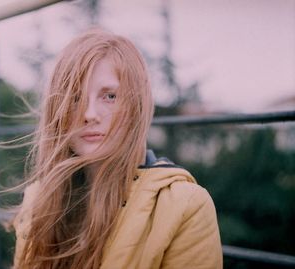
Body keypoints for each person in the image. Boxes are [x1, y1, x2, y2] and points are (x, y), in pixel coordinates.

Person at [12, 28, 222, 269]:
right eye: (75, 98)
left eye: (109, 96)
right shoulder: (38, 199)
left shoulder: (185, 206)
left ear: (137, 105)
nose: (89, 114)